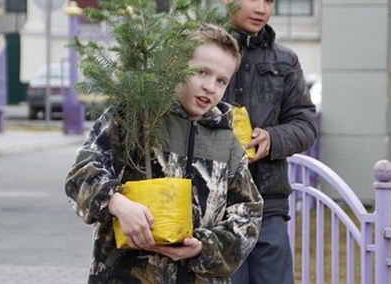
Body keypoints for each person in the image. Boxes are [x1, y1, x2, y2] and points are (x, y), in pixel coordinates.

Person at [64, 23, 263, 283]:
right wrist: (118, 203)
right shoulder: (134, 117)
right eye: (201, 72)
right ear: (174, 63)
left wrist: (204, 246)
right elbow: (79, 176)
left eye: (221, 81)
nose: (210, 87)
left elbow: (249, 213)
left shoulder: (227, 144)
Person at [220, 0, 318, 284]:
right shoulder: (202, 55)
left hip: (268, 206)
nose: (261, 8)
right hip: (213, 207)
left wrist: (273, 139)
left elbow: (306, 123)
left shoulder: (285, 61)